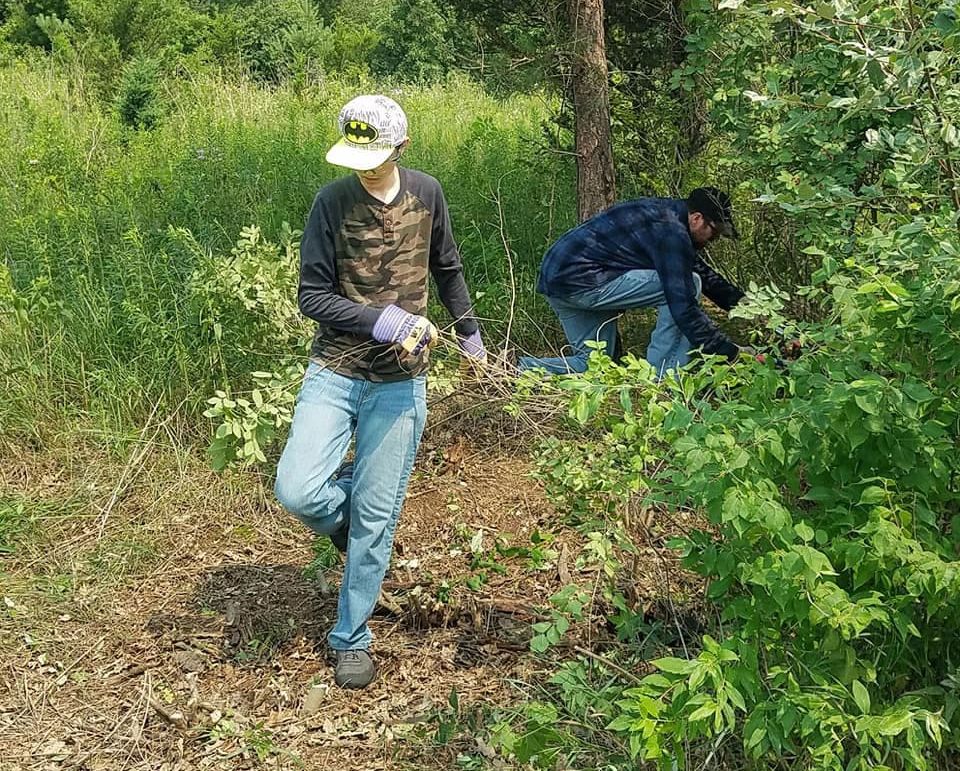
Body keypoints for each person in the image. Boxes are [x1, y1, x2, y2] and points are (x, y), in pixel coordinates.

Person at [274, 94, 485, 690]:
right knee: (297, 489)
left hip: (400, 383)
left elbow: (447, 266)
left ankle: (351, 638)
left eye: (376, 156)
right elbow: (312, 296)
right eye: (356, 157)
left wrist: (469, 335)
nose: (364, 168)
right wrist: (383, 320)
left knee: (377, 518)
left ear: (402, 147)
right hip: (336, 370)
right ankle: (351, 518)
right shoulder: (332, 203)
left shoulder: (428, 192)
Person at [519, 187, 751, 378]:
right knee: (690, 283)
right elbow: (684, 308)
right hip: (584, 281)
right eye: (715, 231)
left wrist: (749, 307)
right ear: (697, 218)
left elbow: (699, 271)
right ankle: (663, 381)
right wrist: (731, 353)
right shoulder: (671, 233)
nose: (715, 239)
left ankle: (516, 367)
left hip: (558, 282)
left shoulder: (664, 214)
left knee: (593, 365)